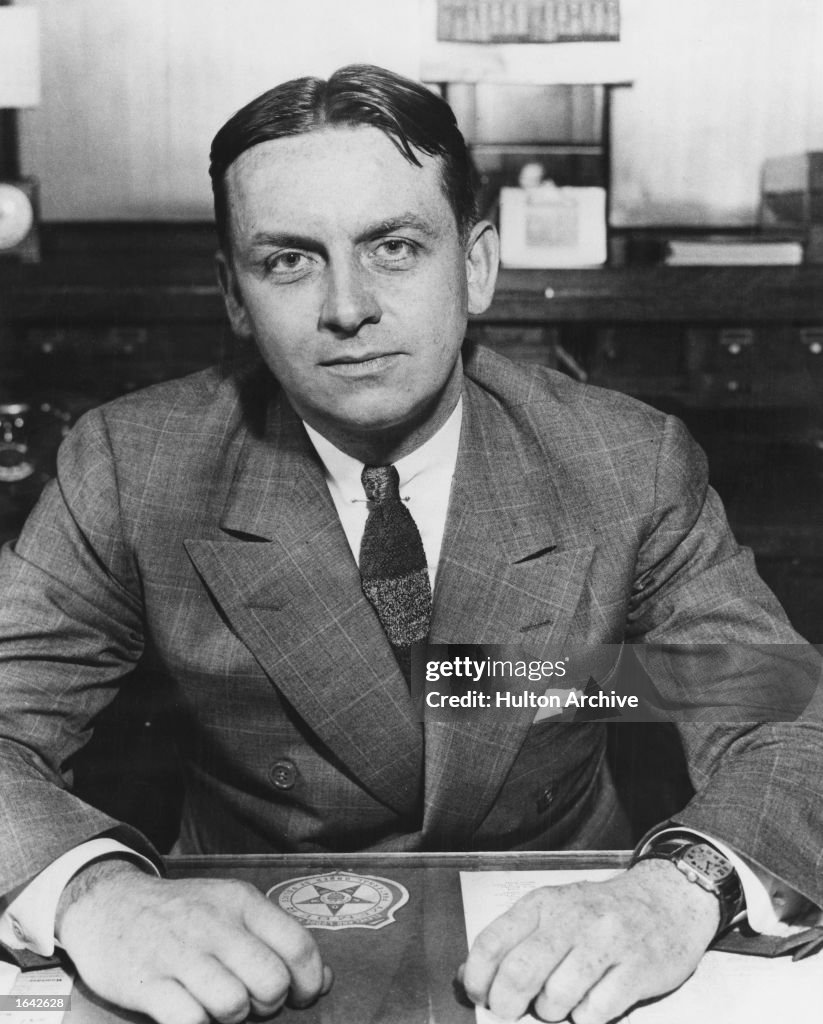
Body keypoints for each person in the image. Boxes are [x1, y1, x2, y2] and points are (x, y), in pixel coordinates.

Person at [0, 64, 821, 1024]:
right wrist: (96, 894)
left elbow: (782, 717)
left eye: (393, 247)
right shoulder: (134, 463)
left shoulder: (622, 459)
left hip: (555, 924)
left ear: (474, 266)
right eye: (288, 261)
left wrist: (676, 889)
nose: (347, 307)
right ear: (232, 294)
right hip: (242, 941)